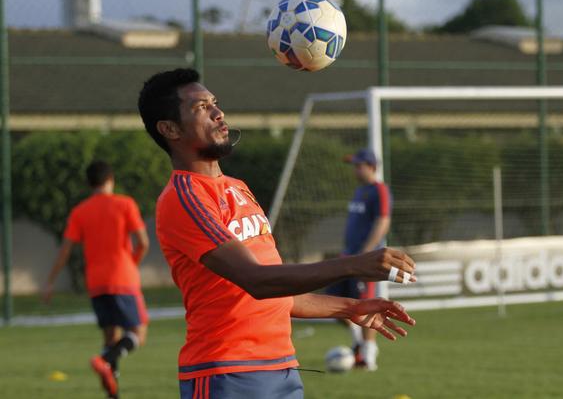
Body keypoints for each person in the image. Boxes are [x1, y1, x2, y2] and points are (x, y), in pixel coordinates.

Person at [137, 68, 416, 399]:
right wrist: (355, 264)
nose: (218, 112)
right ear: (169, 129)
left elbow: (278, 291)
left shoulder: (237, 188)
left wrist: (348, 307)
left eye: (215, 103)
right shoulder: (184, 197)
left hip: (281, 368)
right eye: (200, 107)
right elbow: (257, 280)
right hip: (227, 374)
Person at [43, 161, 150, 399]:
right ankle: (105, 360)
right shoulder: (125, 204)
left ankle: (112, 394)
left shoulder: (80, 211)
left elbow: (65, 250)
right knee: (138, 334)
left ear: (89, 183)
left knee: (111, 338)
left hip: (96, 283)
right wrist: (131, 263)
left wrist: (50, 281)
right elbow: (143, 242)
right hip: (123, 278)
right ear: (111, 179)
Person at [329, 148, 393, 371]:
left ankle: (368, 356)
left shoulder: (379, 190)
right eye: (354, 165)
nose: (355, 170)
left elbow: (383, 221)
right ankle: (358, 342)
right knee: (335, 305)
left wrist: (367, 251)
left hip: (364, 260)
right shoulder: (359, 191)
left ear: (372, 167)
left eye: (359, 165)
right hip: (347, 257)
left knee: (365, 306)